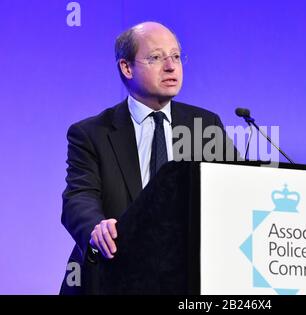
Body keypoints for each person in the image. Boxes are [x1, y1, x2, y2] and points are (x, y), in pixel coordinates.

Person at [60, 21, 240, 294]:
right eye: (156, 58)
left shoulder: (204, 126)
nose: (171, 66)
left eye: (176, 57)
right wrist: (96, 227)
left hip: (184, 279)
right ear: (127, 67)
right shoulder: (91, 133)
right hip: (114, 277)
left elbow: (234, 188)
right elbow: (79, 197)